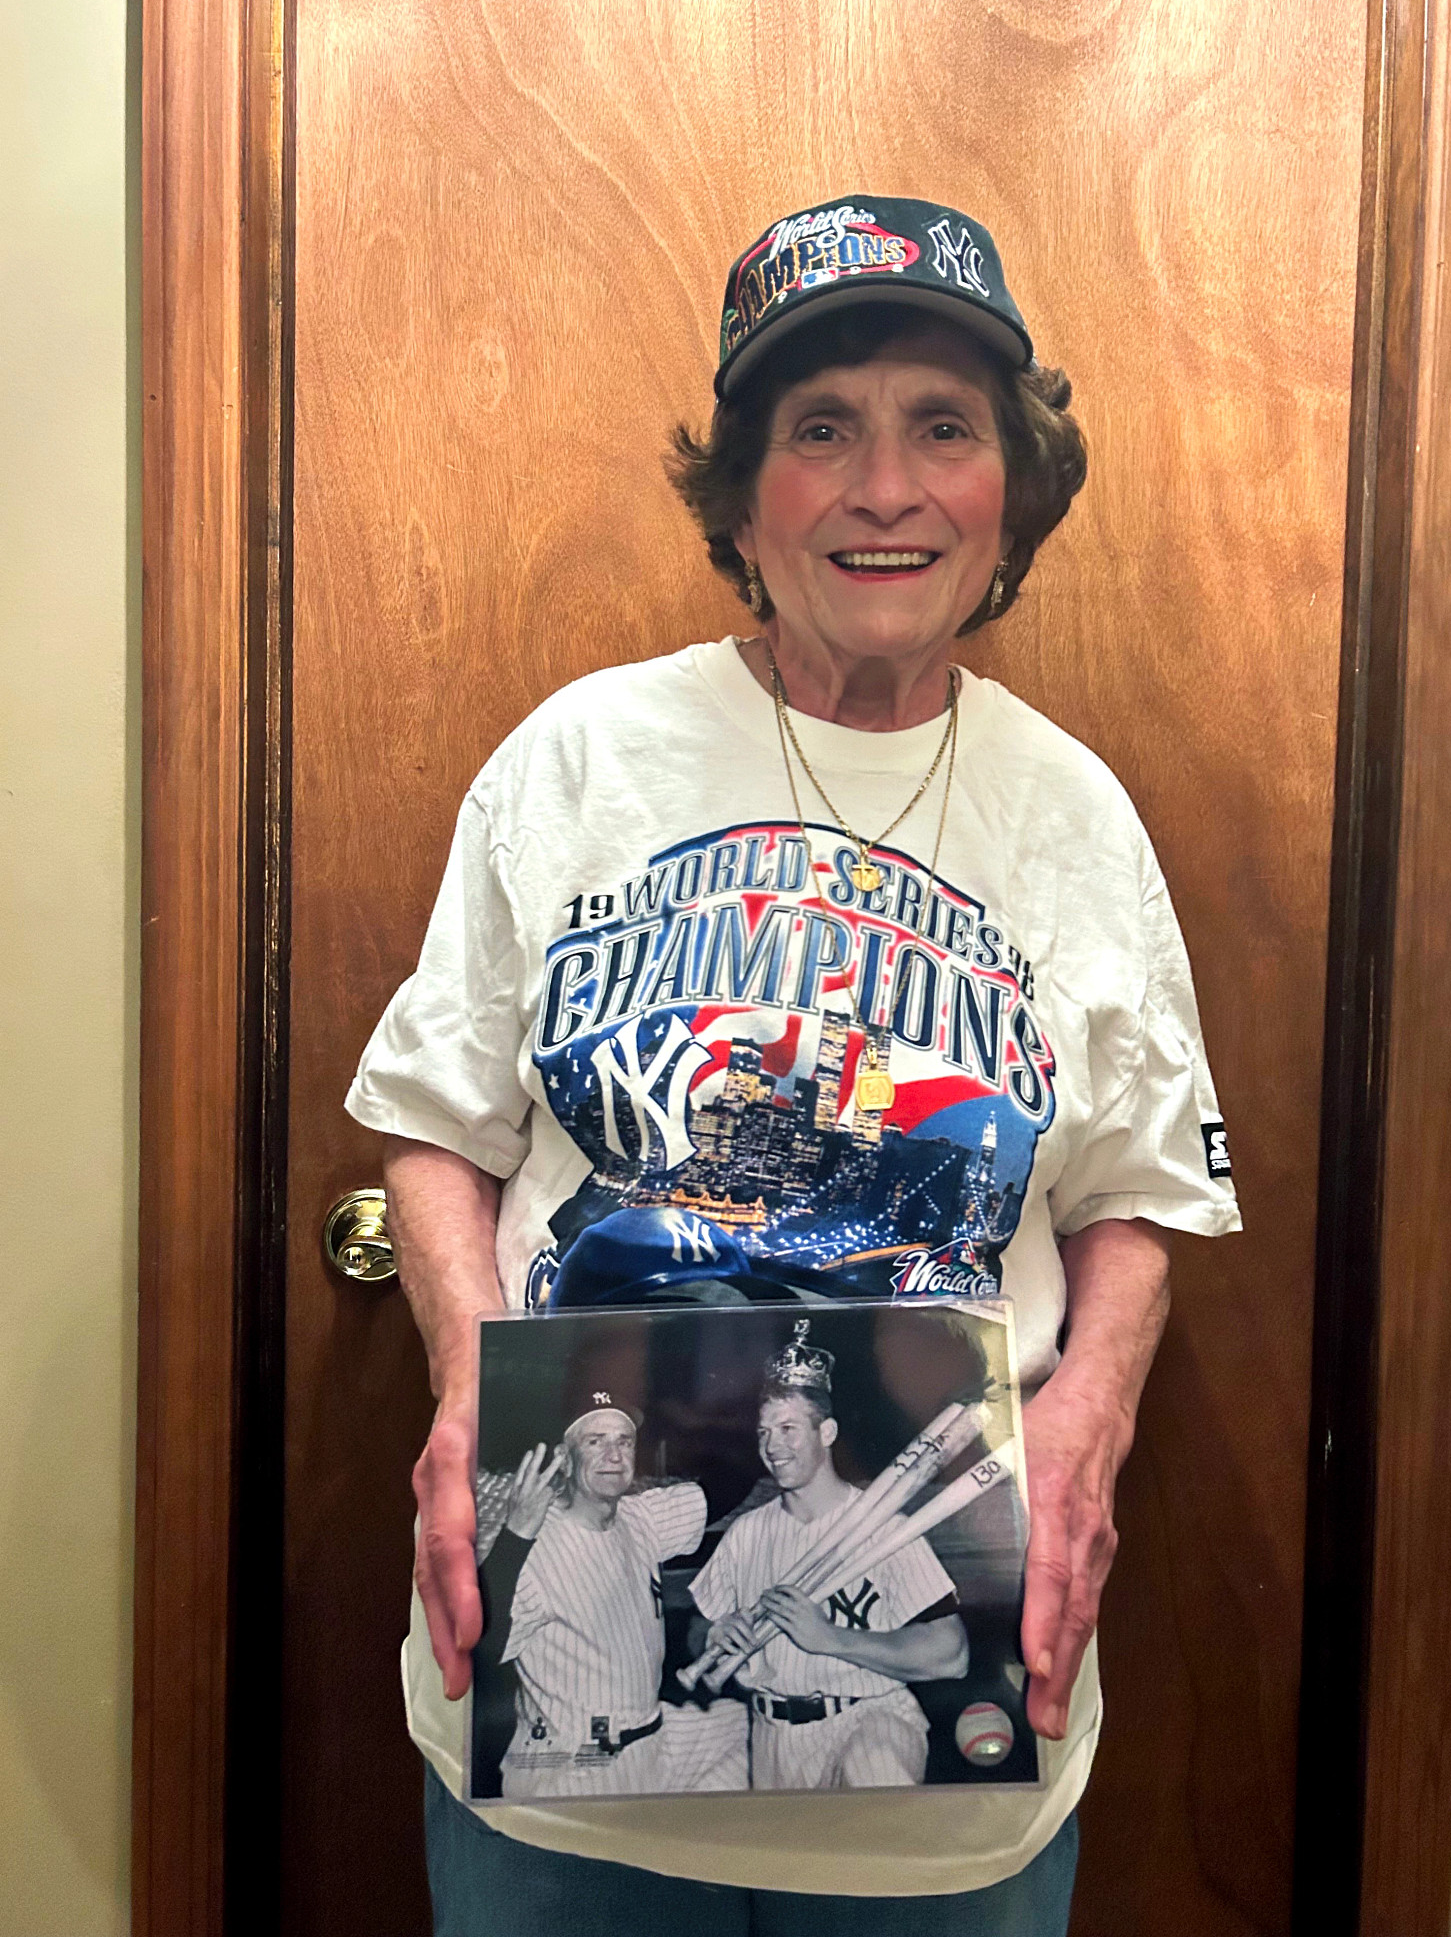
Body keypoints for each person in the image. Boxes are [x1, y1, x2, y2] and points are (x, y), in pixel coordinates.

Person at [347, 193, 1242, 1935]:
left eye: (942, 427)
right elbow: (434, 1127)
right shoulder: (580, 758)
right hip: (559, 1741)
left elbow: (1139, 1186)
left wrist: (1089, 1425)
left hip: (947, 1757)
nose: (884, 487)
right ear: (743, 495)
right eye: (819, 428)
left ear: (1010, 490)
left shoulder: (1074, 816)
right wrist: (467, 1392)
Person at [690, 1323, 967, 1790]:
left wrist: (831, 1639)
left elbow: (951, 1652)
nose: (773, 1447)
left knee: (875, 1783)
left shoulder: (884, 1525)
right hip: (773, 1736)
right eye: (764, 1432)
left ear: (827, 1432)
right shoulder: (746, 1534)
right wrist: (714, 1632)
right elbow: (700, 1627)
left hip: (869, 1718)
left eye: (789, 1429)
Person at [475, 1393, 747, 1798]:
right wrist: (516, 1535)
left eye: (624, 1441)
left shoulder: (640, 1517)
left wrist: (754, 1407)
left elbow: (723, 1491)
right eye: (595, 1441)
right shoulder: (534, 1545)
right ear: (564, 1460)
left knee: (736, 1725)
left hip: (656, 1739)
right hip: (581, 1765)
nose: (614, 1455)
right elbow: (480, 1648)